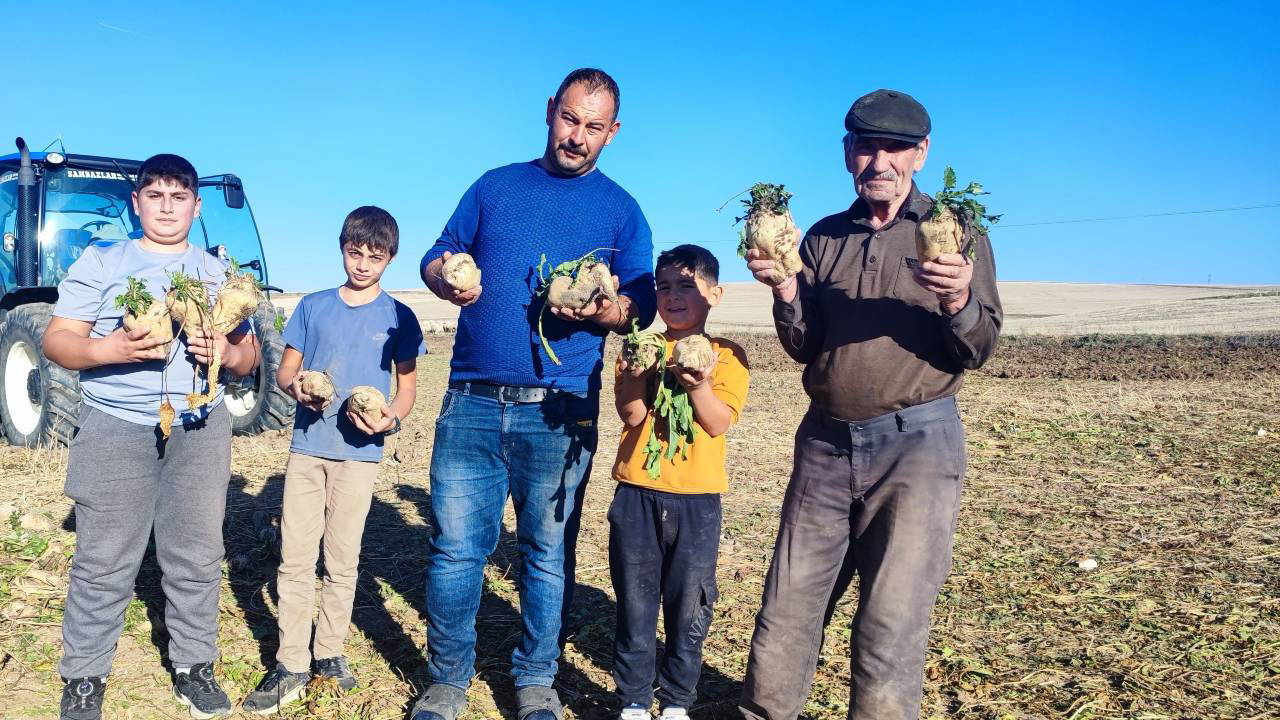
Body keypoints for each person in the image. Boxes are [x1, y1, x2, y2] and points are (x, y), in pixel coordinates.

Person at [739, 89, 1003, 720]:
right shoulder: (824, 237)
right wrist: (785, 291)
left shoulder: (955, 232)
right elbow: (803, 345)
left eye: (895, 148)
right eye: (866, 147)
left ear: (921, 153)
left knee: (891, 620)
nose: (879, 162)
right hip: (825, 445)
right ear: (847, 152)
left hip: (917, 448)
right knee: (787, 608)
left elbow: (978, 347)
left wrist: (958, 299)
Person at [413, 67, 656, 720]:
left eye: (593, 127)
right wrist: (444, 277)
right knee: (456, 552)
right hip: (471, 400)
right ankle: (447, 680)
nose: (577, 136)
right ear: (550, 110)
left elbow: (643, 297)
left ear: (613, 132)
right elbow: (439, 252)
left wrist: (607, 311)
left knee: (547, 556)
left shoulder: (621, 210)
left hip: (559, 410)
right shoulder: (495, 186)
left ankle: (536, 681)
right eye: (570, 119)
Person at [44, 153, 261, 720]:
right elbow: (58, 340)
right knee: (103, 559)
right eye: (156, 196)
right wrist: (109, 349)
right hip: (116, 426)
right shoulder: (103, 261)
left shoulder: (218, 273)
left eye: (179, 196)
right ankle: (85, 676)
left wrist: (228, 352)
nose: (167, 207)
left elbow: (250, 356)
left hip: (200, 428)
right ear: (137, 203)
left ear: (197, 206)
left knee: (197, 553)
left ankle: (194, 665)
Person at [242, 206, 425, 713]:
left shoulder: (400, 317)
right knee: (296, 558)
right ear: (342, 249)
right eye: (354, 252)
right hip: (308, 451)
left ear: (390, 259)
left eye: (375, 257)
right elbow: (286, 372)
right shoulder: (313, 307)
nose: (363, 264)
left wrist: (390, 421)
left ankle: (329, 652)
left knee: (342, 559)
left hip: (360, 457)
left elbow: (407, 388)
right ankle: (290, 662)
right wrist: (296, 388)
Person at [610, 245, 749, 720]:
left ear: (715, 294)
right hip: (637, 494)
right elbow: (632, 416)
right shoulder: (640, 345)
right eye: (664, 287)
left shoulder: (726, 356)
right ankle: (633, 699)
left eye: (686, 286)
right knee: (635, 602)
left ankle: (676, 702)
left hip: (697, 499)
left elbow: (717, 422)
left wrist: (697, 384)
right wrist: (635, 375)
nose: (672, 296)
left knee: (690, 606)